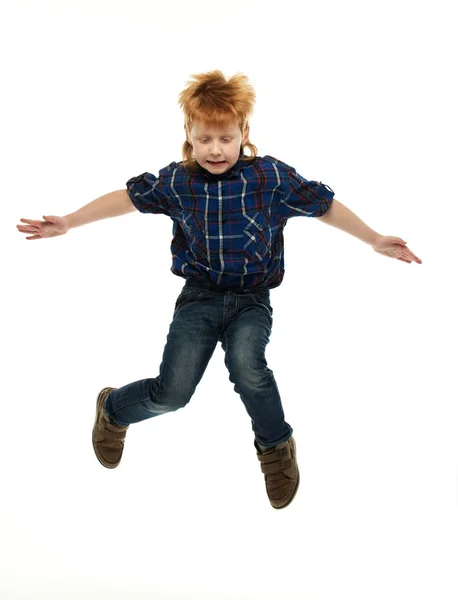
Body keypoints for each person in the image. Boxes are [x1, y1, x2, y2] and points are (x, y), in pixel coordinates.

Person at [16, 70, 422, 510]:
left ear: (244, 134)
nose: (215, 149)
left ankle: (275, 447)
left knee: (248, 365)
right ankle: (113, 409)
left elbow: (323, 206)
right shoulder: (179, 182)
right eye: (204, 138)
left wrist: (375, 238)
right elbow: (125, 199)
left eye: (225, 138)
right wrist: (70, 222)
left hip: (252, 301)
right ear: (189, 136)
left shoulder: (270, 178)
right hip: (200, 298)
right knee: (172, 393)